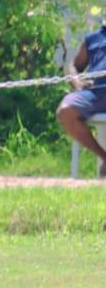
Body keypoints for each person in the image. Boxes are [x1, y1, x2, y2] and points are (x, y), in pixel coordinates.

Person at [56, 22, 106, 178]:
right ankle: (104, 157)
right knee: (66, 111)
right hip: (94, 94)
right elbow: (73, 67)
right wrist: (78, 83)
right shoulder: (93, 39)